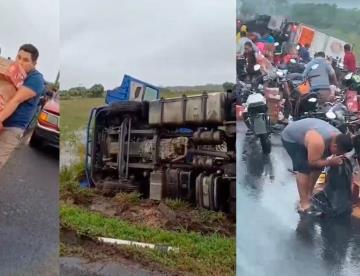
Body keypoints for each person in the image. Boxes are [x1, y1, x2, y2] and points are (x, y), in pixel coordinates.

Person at [281, 118, 354, 214]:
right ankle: (304, 204)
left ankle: (309, 194)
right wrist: (330, 162)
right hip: (292, 138)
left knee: (319, 165)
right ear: (335, 146)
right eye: (338, 152)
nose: (338, 155)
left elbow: (319, 165)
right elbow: (312, 163)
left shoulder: (339, 137)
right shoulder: (317, 142)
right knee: (304, 168)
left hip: (311, 135)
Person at [0, 44, 45, 170]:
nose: (20, 62)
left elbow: (16, 100)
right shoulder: (10, 71)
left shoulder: (35, 79)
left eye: (26, 60)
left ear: (34, 63)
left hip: (11, 127)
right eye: (18, 57)